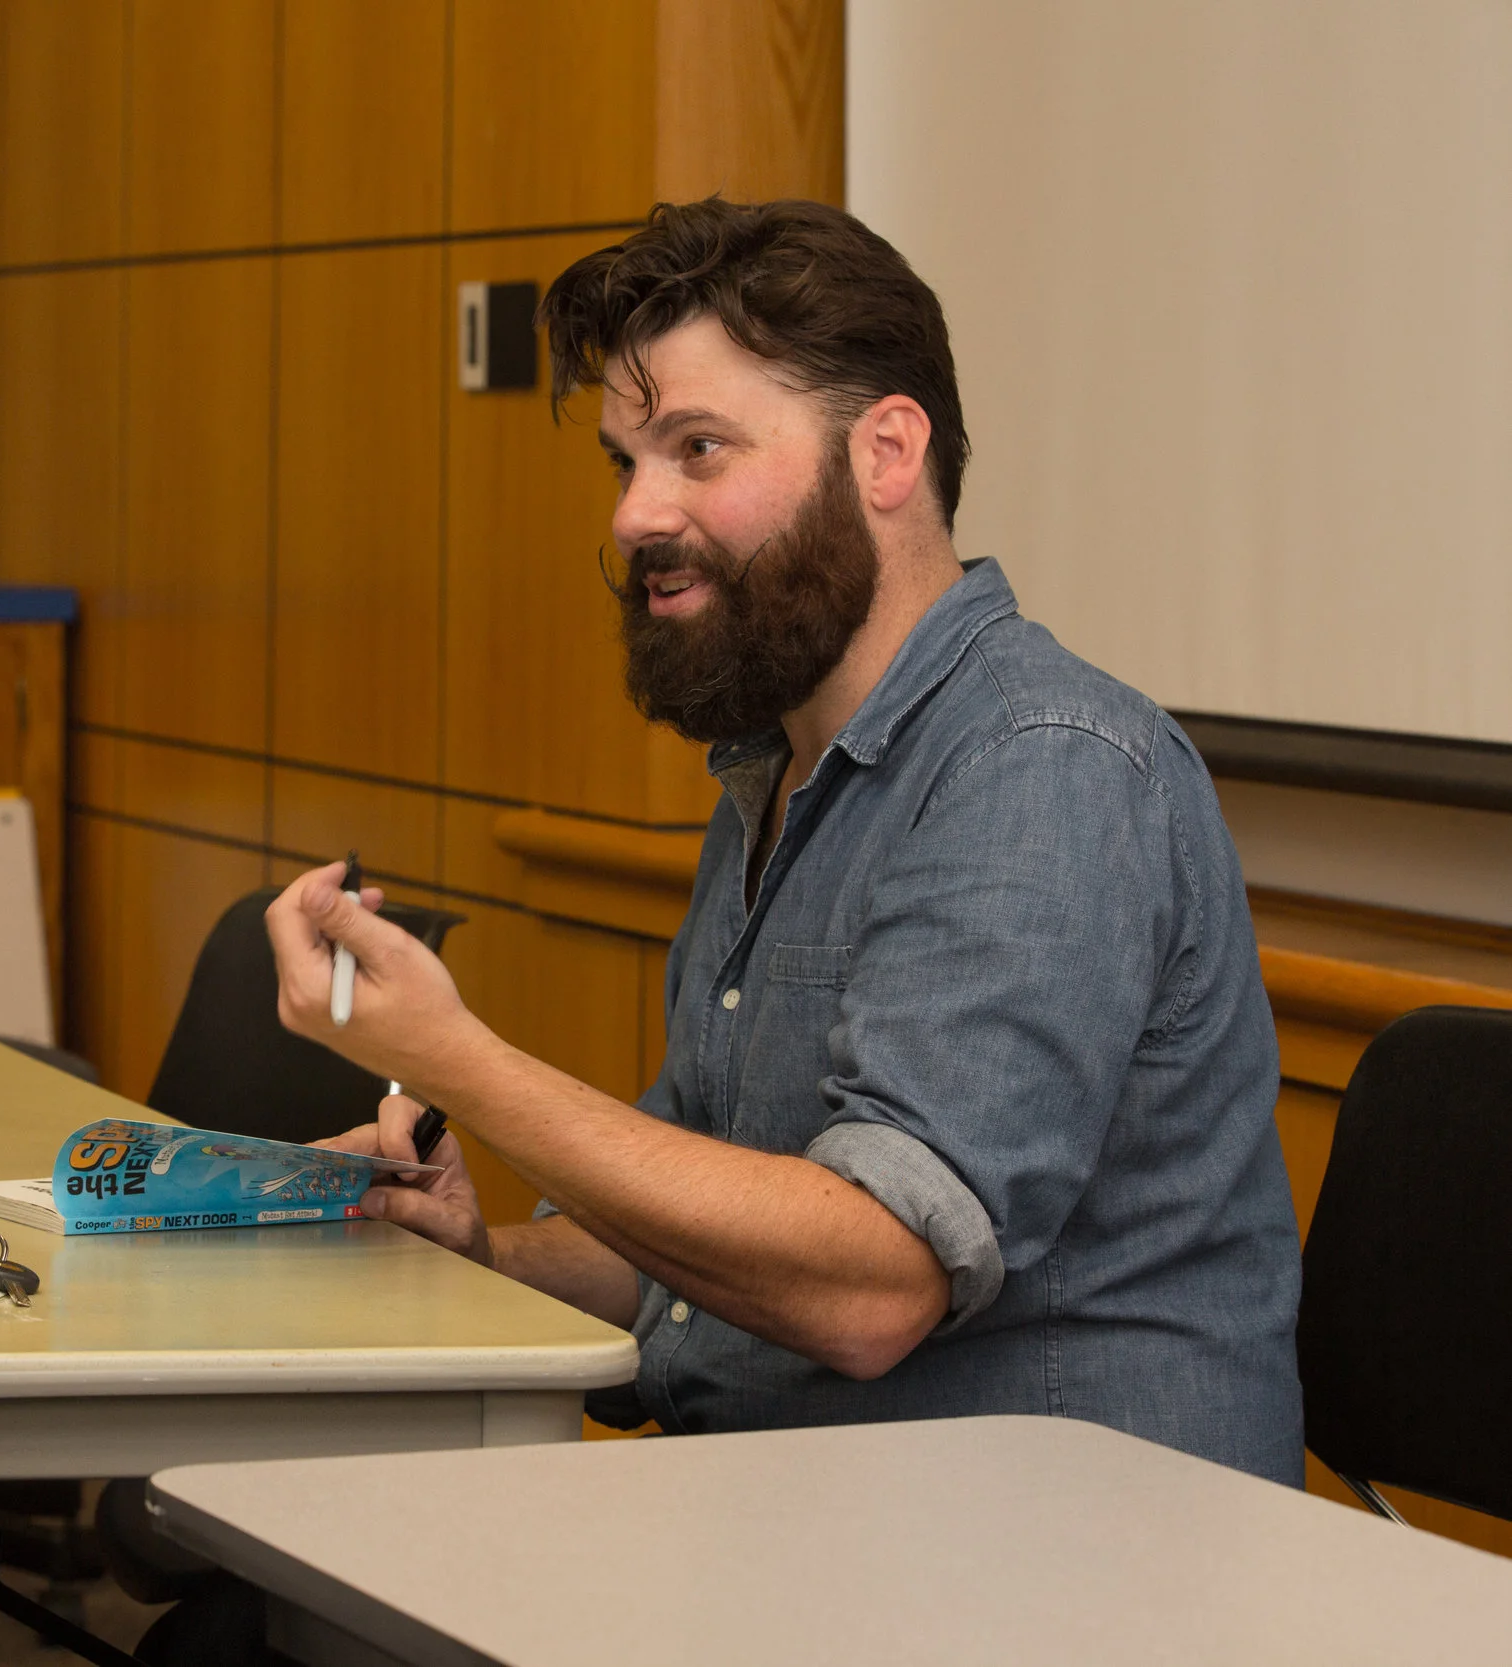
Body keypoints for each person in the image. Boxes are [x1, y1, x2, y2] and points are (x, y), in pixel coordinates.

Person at [266, 197, 1305, 1483]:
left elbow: (867, 1287)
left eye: (697, 449)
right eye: (623, 462)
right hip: (792, 1512)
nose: (637, 515)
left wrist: (456, 1061)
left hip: (1042, 1555)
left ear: (883, 453)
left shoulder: (1045, 768)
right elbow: (707, 1238)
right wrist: (486, 1248)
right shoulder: (778, 765)